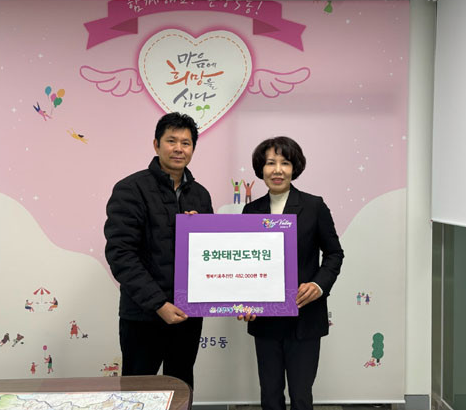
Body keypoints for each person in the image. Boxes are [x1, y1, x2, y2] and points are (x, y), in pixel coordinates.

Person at [104, 112, 213, 389]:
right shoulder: (131, 189)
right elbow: (121, 254)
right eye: (171, 141)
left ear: (193, 149)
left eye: (186, 143)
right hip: (144, 315)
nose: (179, 149)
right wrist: (158, 304)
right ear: (156, 144)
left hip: (187, 313)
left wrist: (200, 235)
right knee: (138, 392)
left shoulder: (200, 195)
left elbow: (209, 255)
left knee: (181, 386)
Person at [239, 136, 344, 410]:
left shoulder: (314, 206)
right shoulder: (250, 211)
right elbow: (245, 265)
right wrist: (243, 300)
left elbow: (334, 254)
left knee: (301, 396)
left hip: (304, 317)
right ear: (261, 168)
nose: (277, 170)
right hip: (265, 320)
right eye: (270, 163)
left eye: (284, 163)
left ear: (294, 167)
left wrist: (318, 286)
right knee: (270, 395)